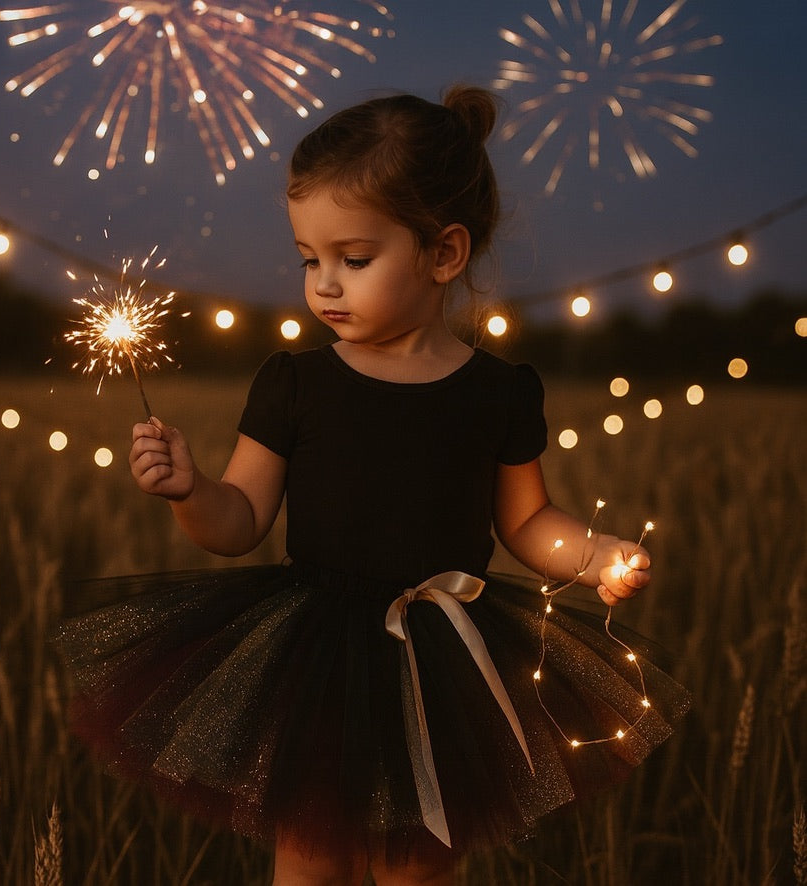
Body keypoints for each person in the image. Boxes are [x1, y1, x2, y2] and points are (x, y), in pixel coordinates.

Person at [58, 86, 690, 886]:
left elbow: (528, 524)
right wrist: (191, 491)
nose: (323, 284)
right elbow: (240, 519)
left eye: (353, 260)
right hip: (316, 653)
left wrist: (595, 554)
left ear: (444, 253)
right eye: (308, 259)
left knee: (416, 865)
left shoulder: (497, 394)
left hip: (443, 660)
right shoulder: (295, 384)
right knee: (311, 860)